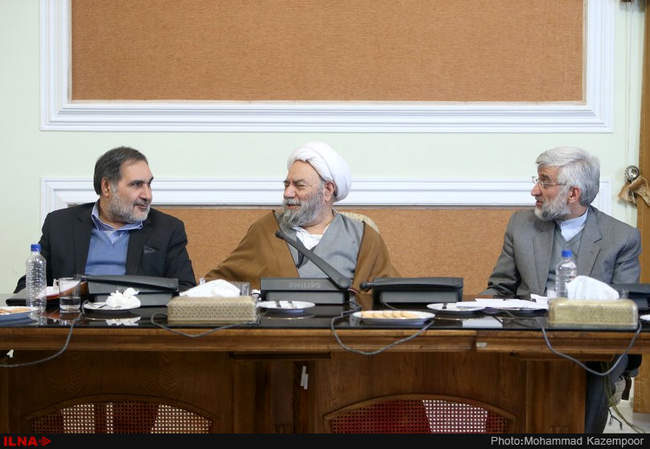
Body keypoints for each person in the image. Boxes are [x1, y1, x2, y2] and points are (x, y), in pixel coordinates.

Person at [482, 146, 642, 433]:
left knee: (596, 365)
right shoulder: (521, 225)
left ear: (573, 193)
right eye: (537, 180)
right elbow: (500, 287)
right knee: (498, 360)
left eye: (545, 182)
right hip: (527, 334)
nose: (534, 190)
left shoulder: (622, 237)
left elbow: (624, 307)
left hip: (593, 340)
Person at [204, 141, 398, 309]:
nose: (287, 193)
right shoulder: (266, 229)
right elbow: (217, 284)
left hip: (341, 336)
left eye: (299, 185)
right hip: (275, 335)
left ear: (327, 190)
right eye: (286, 184)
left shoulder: (363, 236)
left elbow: (390, 297)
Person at [15, 146, 196, 293]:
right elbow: (28, 287)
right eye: (136, 185)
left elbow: (186, 290)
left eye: (149, 184)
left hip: (138, 321)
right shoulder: (60, 225)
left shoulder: (167, 228)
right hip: (74, 320)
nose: (147, 195)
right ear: (107, 187)